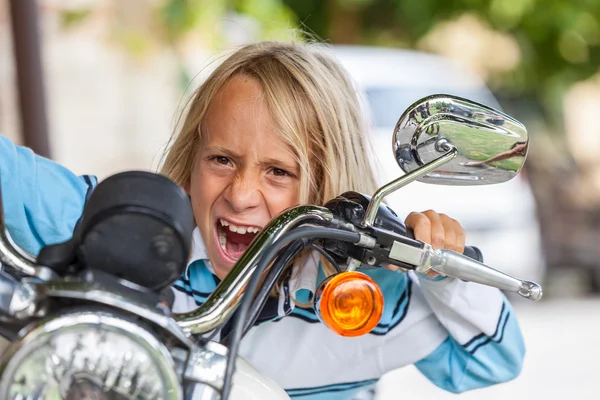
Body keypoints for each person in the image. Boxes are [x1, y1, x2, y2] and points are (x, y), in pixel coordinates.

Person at [0, 40, 525, 399]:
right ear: (191, 158)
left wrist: (443, 270)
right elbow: (15, 178)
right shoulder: (137, 235)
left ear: (327, 184)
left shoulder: (364, 294)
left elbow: (490, 361)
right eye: (222, 159)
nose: (242, 193)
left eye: (278, 171)